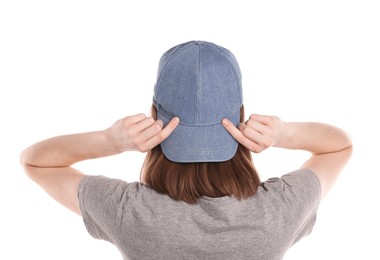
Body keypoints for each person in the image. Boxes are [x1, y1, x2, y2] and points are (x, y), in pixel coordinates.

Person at [20, 41, 352, 260]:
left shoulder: (128, 212)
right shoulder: (279, 210)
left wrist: (112, 141)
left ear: (154, 116)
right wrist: (283, 133)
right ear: (240, 116)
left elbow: (36, 162)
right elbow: (339, 147)